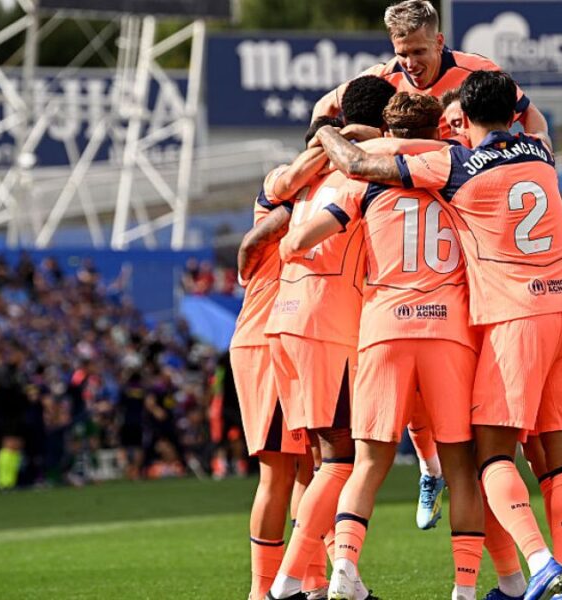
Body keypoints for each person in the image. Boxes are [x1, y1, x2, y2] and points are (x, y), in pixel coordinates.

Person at [315, 70, 562, 600]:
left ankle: (539, 564)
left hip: (515, 318)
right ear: (514, 114)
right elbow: (532, 118)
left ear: (463, 119)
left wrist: (327, 129)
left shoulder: (455, 164)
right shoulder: (542, 151)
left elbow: (357, 166)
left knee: (491, 457)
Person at [282, 93, 485, 600]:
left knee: (367, 464)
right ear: (437, 127)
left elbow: (299, 241)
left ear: (386, 131)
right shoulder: (458, 168)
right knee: (461, 467)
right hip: (447, 331)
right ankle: (464, 589)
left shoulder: (365, 178)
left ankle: (343, 570)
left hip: (385, 328)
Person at [264, 75, 398, 600]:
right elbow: (297, 239)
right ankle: (286, 584)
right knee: (342, 457)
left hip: (287, 320)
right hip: (325, 323)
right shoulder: (357, 171)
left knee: (322, 463)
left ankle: (334, 583)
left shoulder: (312, 168)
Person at [232, 126, 338, 600]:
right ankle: (262, 591)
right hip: (265, 338)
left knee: (309, 468)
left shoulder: (332, 201)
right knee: (278, 470)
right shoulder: (284, 188)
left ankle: (313, 582)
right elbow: (254, 241)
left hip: (298, 337)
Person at [312, 0, 550, 147]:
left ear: (439, 41)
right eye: (402, 54)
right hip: (404, 182)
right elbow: (324, 105)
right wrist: (318, 146)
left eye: (419, 51)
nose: (410, 63)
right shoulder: (380, 79)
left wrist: (540, 148)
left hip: (463, 181)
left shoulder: (476, 71)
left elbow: (529, 113)